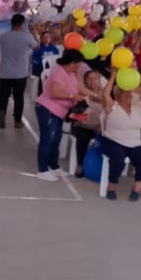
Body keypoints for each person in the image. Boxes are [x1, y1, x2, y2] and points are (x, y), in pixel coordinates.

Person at [35, 49, 89, 181]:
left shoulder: (72, 72)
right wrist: (73, 96)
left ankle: (54, 166)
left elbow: (80, 88)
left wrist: (93, 95)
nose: (80, 67)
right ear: (72, 63)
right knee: (48, 139)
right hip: (48, 109)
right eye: (78, 64)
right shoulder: (59, 71)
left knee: (56, 139)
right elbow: (55, 93)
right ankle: (42, 170)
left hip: (59, 112)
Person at [99, 73, 141, 201]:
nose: (129, 95)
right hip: (112, 141)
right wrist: (113, 75)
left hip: (134, 143)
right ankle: (111, 187)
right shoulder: (112, 106)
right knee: (118, 158)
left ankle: (136, 189)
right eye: (125, 93)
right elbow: (105, 94)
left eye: (130, 93)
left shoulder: (137, 108)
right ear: (117, 95)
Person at [0, 14, 38, 129]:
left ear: (11, 23)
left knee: (3, 96)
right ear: (23, 24)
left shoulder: (3, 36)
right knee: (19, 97)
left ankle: (1, 111)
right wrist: (34, 33)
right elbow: (37, 47)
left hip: (5, 73)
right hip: (20, 73)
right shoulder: (27, 36)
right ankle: (17, 121)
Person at [70, 69, 104, 177]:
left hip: (99, 126)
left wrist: (101, 125)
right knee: (83, 135)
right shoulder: (81, 93)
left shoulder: (105, 93)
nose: (93, 81)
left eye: (96, 78)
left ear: (100, 80)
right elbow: (76, 114)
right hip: (82, 125)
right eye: (89, 79)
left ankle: (105, 166)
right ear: (85, 81)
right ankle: (80, 164)